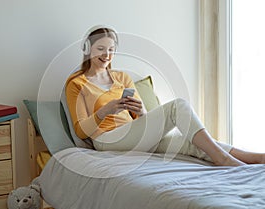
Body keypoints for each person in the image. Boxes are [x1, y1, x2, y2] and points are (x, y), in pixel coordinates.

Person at [65, 25, 265, 166]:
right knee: (178, 106)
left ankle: (255, 158)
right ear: (88, 49)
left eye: (111, 50)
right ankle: (223, 160)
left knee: (189, 142)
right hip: (106, 139)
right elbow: (82, 131)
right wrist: (107, 110)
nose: (107, 55)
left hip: (134, 134)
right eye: (101, 49)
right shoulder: (76, 83)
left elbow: (141, 118)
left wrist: (141, 110)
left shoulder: (121, 77)